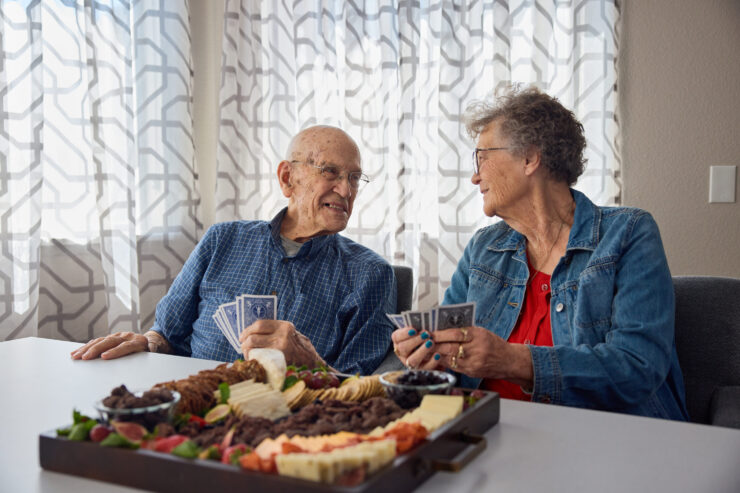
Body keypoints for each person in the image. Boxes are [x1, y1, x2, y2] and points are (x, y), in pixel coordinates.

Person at [392, 86, 688, 420]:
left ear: (530, 158)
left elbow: (638, 367)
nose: (475, 177)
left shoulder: (628, 233)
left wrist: (512, 360)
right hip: (488, 429)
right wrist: (429, 355)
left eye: (482, 157)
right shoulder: (484, 248)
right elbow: (450, 359)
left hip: (604, 438)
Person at [71, 125, 397, 375]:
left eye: (354, 178)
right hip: (191, 405)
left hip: (286, 427)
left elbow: (361, 391)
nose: (346, 189)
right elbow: (167, 334)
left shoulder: (370, 274)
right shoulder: (222, 239)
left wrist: (311, 365)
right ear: (287, 178)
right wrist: (147, 342)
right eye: (330, 172)